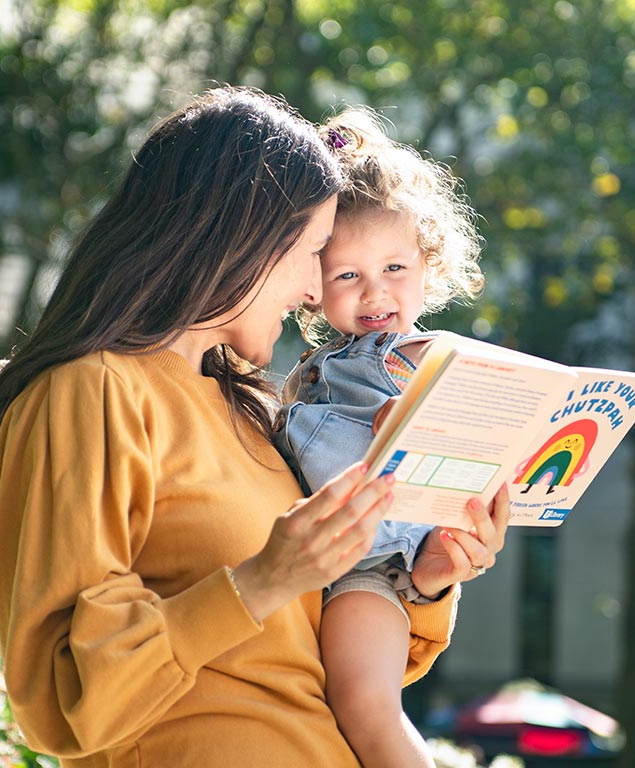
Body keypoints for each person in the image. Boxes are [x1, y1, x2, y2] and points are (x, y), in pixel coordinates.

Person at [0, 86, 509, 768]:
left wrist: (424, 579)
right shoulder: (93, 390)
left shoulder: (252, 411)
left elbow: (323, 667)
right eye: (313, 254)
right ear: (238, 241)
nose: (313, 292)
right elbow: (63, 695)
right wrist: (260, 581)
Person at [273, 107, 497, 768]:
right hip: (324, 562)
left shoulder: (413, 353)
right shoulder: (319, 368)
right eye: (348, 275)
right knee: (343, 713)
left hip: (367, 573)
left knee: (367, 711)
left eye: (395, 268)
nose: (375, 292)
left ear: (429, 265)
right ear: (312, 287)